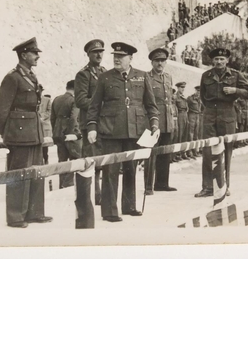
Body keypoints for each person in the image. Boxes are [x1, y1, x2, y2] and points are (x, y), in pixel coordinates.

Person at [86, 42, 159, 222]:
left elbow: (151, 105)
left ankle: (129, 206)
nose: (117, 59)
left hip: (134, 130)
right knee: (110, 171)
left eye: (121, 57)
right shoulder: (104, 77)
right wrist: (92, 127)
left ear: (131, 58)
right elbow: (94, 106)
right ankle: (109, 211)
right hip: (110, 131)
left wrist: (155, 125)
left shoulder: (142, 77)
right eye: (115, 56)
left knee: (130, 169)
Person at [0, 37, 52, 228]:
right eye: (34, 53)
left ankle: (35, 212)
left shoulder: (31, 76)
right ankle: (15, 216)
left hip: (34, 133)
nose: (37, 56)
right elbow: (2, 110)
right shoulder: (12, 78)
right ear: (23, 55)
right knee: (18, 175)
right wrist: (8, 135)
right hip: (19, 135)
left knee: (37, 173)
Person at [196, 48, 248, 202]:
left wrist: (235, 90)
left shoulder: (235, 75)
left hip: (227, 114)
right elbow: (202, 96)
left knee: (226, 151)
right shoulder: (205, 75)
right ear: (212, 61)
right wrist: (210, 109)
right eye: (216, 59)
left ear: (227, 60)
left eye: (222, 59)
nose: (219, 62)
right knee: (207, 150)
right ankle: (208, 187)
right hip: (209, 114)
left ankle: (224, 186)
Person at [74, 39, 107, 206]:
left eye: (101, 51)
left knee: (103, 160)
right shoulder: (83, 74)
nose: (99, 54)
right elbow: (80, 100)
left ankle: (102, 193)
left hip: (105, 124)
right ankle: (91, 194)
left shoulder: (105, 72)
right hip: (89, 124)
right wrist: (100, 106)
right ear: (88, 54)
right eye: (95, 52)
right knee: (90, 161)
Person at [144, 48, 177, 195]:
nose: (160, 63)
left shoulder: (168, 77)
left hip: (167, 121)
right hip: (153, 122)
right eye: (157, 61)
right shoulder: (146, 77)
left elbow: (169, 100)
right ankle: (148, 186)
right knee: (150, 154)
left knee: (165, 153)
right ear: (152, 62)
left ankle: (162, 183)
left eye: (162, 61)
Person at [51, 80, 82, 189]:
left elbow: (52, 118)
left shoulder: (56, 99)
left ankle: (61, 184)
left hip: (58, 132)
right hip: (70, 133)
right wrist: (71, 133)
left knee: (62, 160)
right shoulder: (74, 100)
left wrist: (56, 132)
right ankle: (68, 184)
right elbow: (74, 118)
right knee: (75, 157)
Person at [175, 82, 191, 160]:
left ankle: (183, 152)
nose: (183, 89)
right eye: (181, 87)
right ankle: (177, 154)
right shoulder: (175, 97)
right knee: (179, 135)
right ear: (178, 88)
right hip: (180, 116)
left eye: (184, 87)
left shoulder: (183, 97)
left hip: (185, 115)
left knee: (185, 134)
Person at [187, 86, 202, 157]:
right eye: (198, 91)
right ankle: (189, 151)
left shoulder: (200, 99)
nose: (199, 93)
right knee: (191, 134)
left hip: (197, 116)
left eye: (200, 91)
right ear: (195, 91)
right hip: (191, 115)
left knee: (196, 134)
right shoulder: (190, 98)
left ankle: (196, 151)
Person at [39, 93, 52, 164]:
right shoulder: (33, 99)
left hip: (44, 125)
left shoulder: (47, 100)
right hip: (35, 125)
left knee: (45, 144)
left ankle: (45, 159)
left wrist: (42, 117)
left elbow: (50, 111)